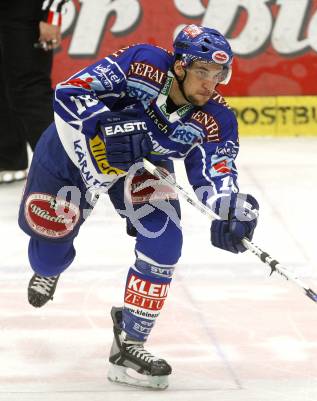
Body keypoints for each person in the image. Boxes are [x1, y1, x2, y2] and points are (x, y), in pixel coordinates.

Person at [18, 24, 259, 389]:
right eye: (202, 72)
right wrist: (105, 125)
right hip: (73, 148)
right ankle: (50, 266)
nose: (211, 84)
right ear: (179, 66)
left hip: (140, 166)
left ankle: (129, 343)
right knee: (48, 253)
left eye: (218, 75)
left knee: (165, 242)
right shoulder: (142, 63)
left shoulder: (216, 119)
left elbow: (217, 173)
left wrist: (232, 208)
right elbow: (70, 91)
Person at [0, 0, 68, 184]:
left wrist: (53, 14)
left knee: (30, 87)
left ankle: (60, 168)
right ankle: (9, 160)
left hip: (29, 9)